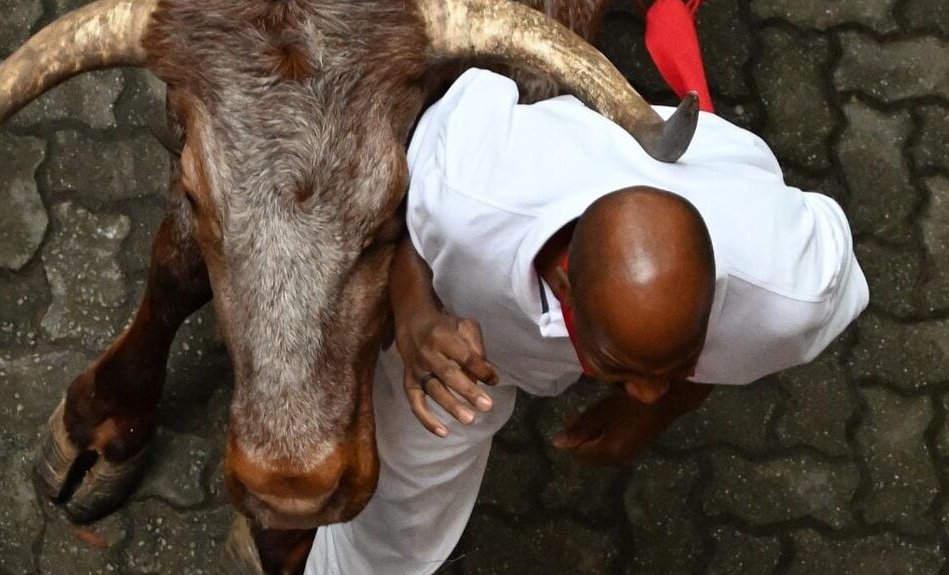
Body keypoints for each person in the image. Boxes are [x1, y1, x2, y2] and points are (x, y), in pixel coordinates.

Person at [302, 67, 869, 574]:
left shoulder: (793, 292)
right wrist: (418, 321)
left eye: (683, 357)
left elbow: (704, 355)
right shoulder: (468, 191)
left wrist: (664, 410)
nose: (648, 394)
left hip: (722, 187)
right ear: (564, 284)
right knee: (392, 514)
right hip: (469, 316)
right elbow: (399, 211)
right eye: (623, 368)